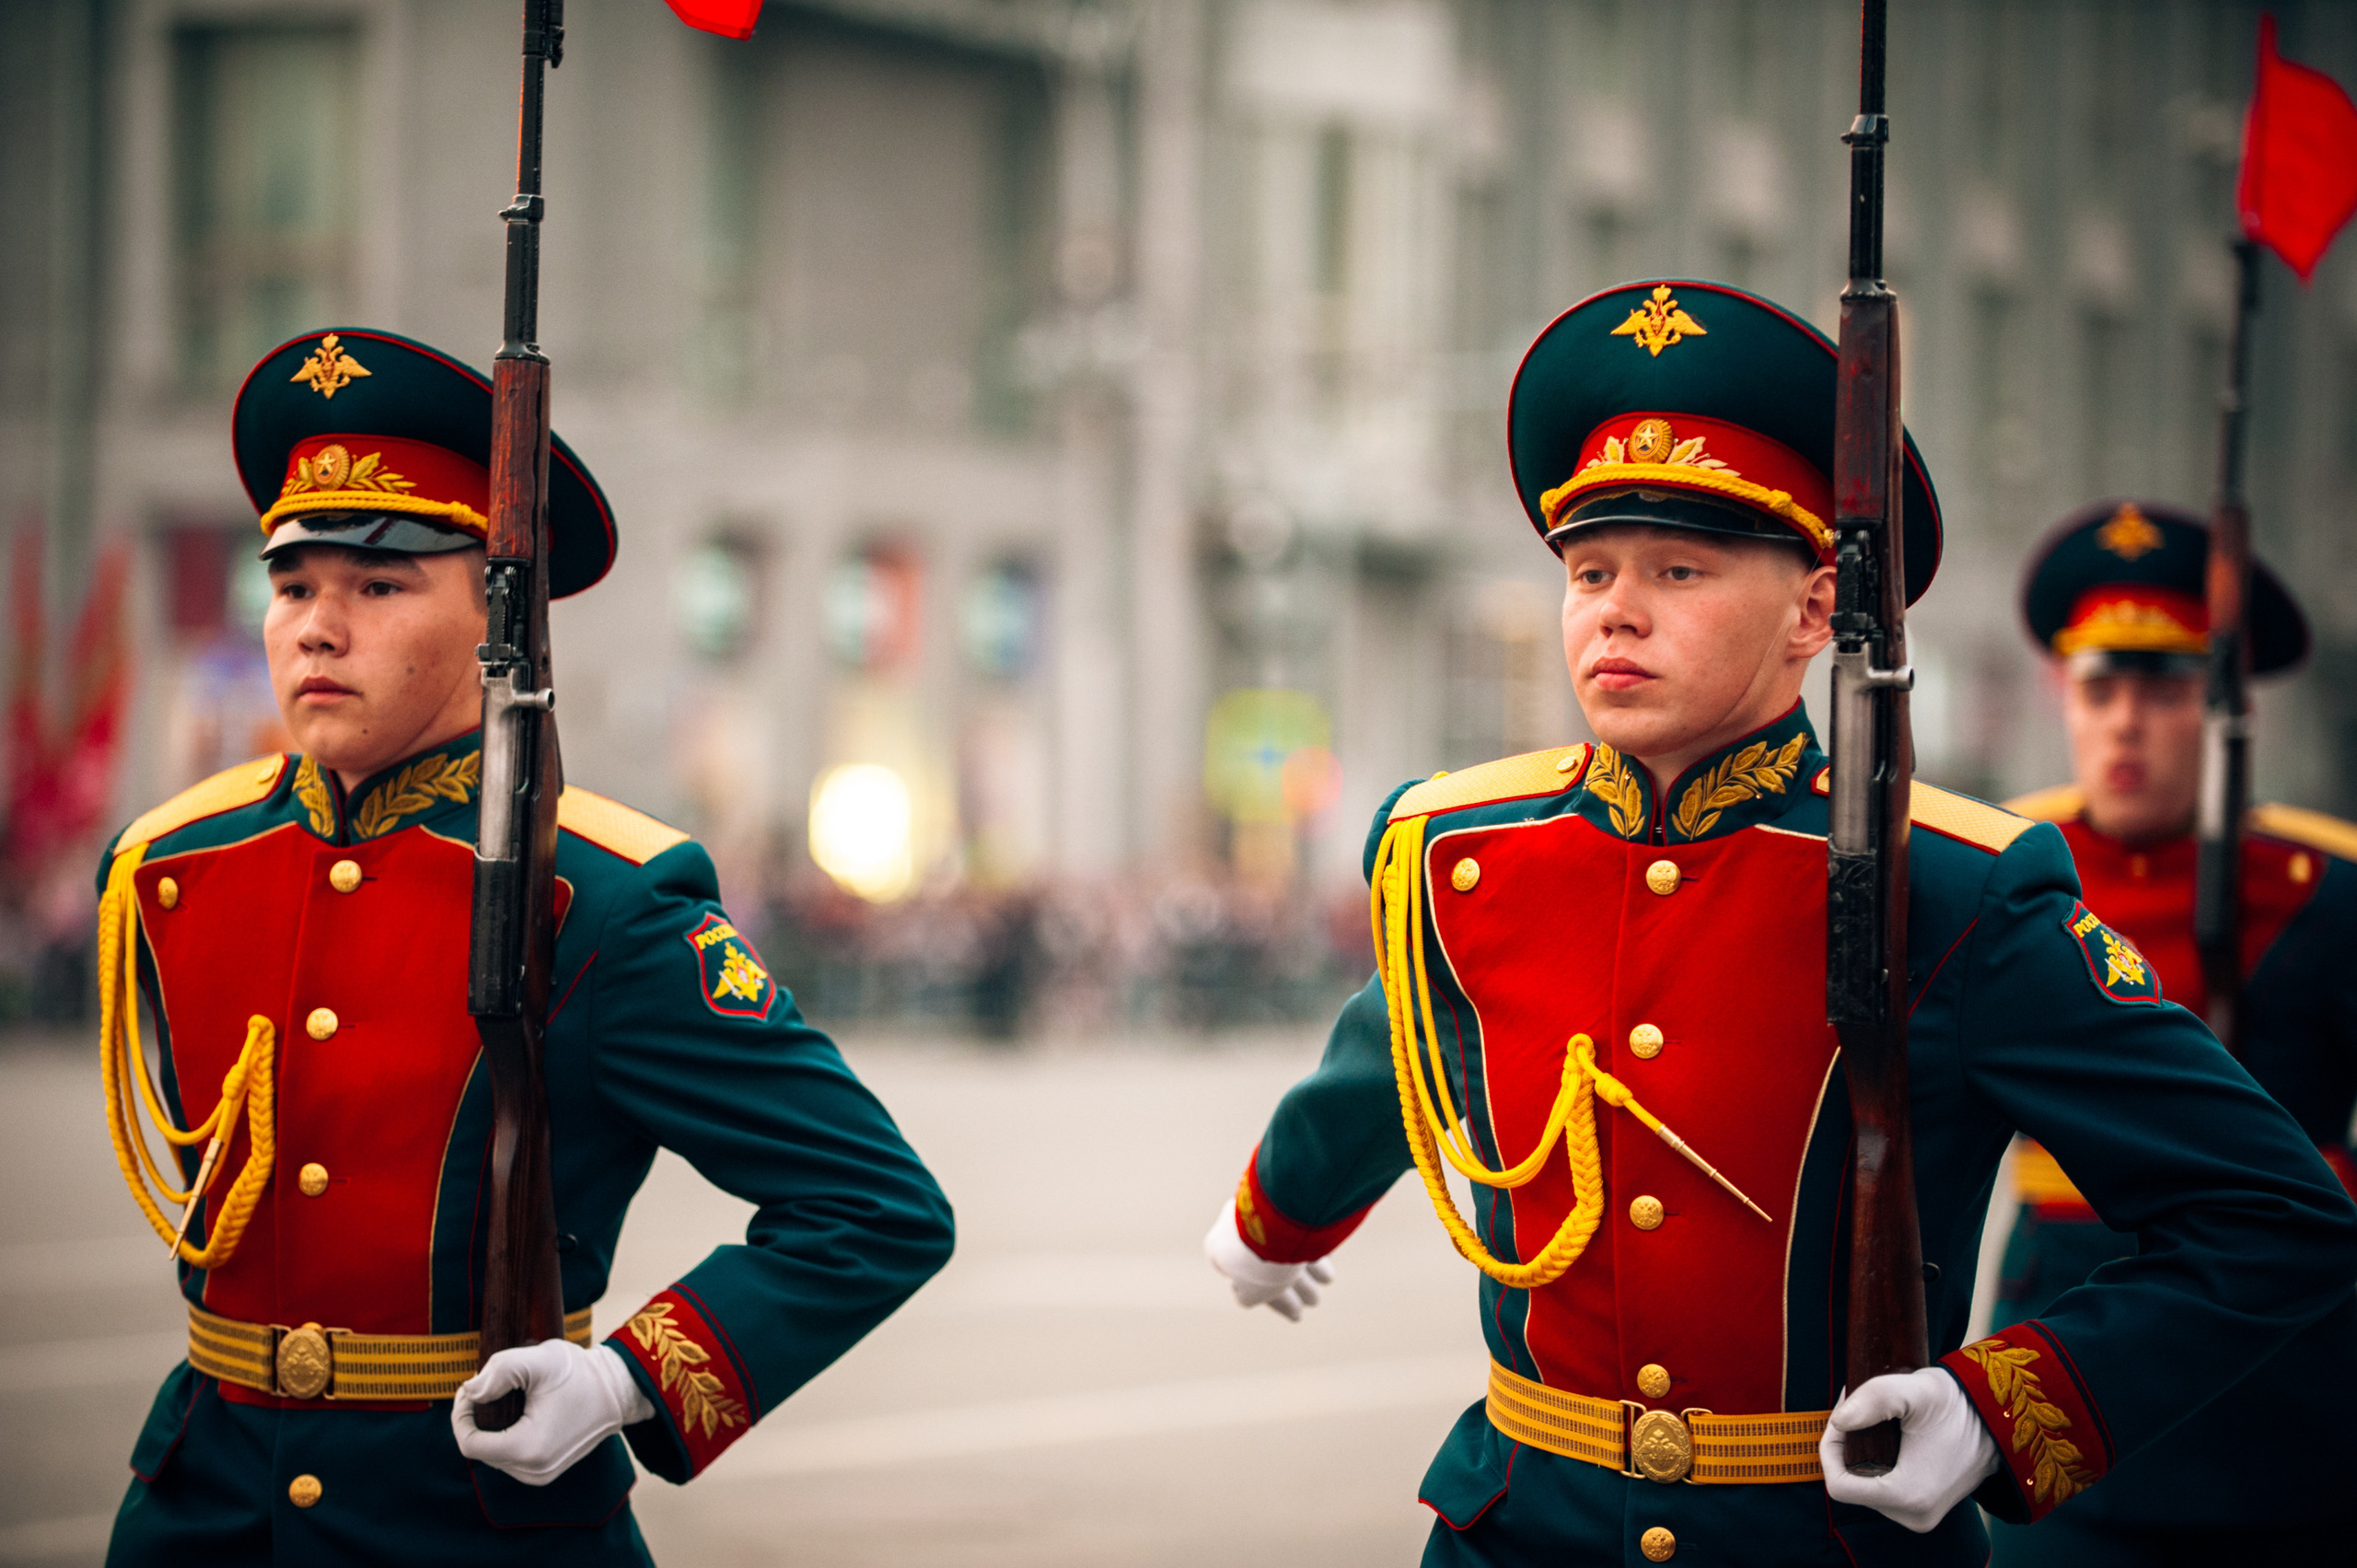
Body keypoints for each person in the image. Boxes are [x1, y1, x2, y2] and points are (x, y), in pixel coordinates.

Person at [1199, 281, 2357, 1567]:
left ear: (1814, 611)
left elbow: (2271, 1210)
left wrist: (1996, 1414)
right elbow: (1395, 1056)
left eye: (1677, 570)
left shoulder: (1959, 889)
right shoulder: (1465, 851)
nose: (1613, 611)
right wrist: (1278, 1212)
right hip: (1513, 1527)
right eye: (1589, 571)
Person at [97, 329, 955, 1566]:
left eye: (379, 586)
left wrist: (622, 1382)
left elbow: (875, 1205)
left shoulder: (604, 902)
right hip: (200, 1512)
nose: (317, 627)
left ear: (499, 611)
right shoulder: (173, 868)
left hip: (478, 1522)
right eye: (293, 585)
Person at [1986, 499, 2357, 1565]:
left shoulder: (2321, 891)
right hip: (2061, 1327)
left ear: (2223, 706)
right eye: (2102, 690)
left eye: (2165, 689)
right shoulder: (2006, 876)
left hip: (2286, 1376)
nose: (2127, 724)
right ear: (2062, 693)